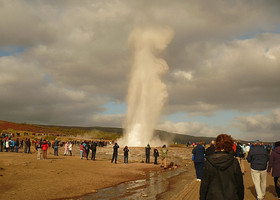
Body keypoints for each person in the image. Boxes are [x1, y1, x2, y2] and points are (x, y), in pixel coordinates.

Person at [200, 134, 244, 200]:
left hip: (212, 196)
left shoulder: (209, 161)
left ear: (216, 145)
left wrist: (202, 198)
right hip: (231, 196)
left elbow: (205, 184)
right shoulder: (234, 162)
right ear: (230, 145)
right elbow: (239, 184)